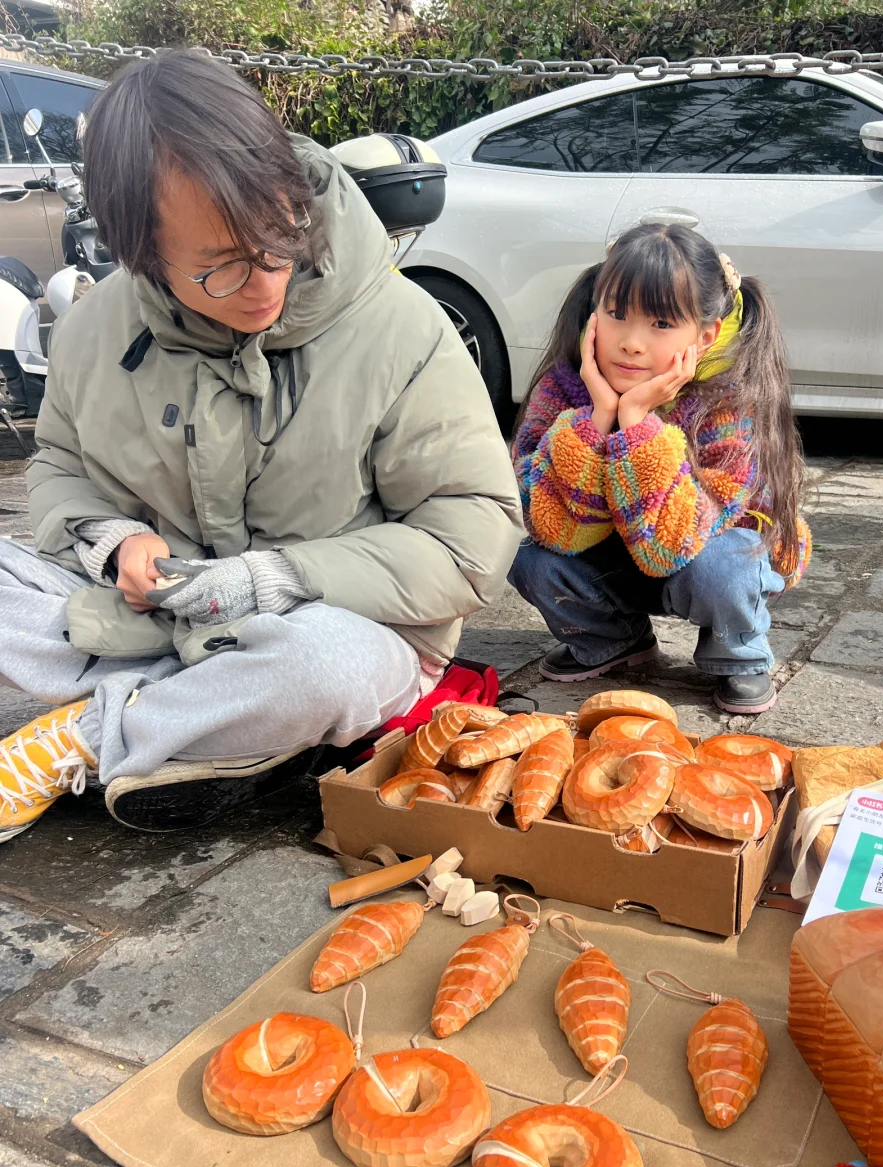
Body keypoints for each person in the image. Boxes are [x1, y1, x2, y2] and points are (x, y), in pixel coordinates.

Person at [0, 50, 521, 843]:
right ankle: (198, 731)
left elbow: (472, 535)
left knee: (330, 670)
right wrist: (112, 542)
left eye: (279, 240)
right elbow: (58, 468)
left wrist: (275, 578)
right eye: (220, 268)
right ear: (142, 255)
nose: (266, 282)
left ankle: (84, 740)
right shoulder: (92, 331)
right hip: (154, 623)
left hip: (328, 628)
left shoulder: (402, 327)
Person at [509, 223, 810, 715]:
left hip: (700, 557)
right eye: (616, 315)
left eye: (661, 324)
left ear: (705, 335)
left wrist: (635, 424)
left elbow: (667, 549)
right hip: (619, 555)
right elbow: (550, 525)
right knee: (532, 560)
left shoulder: (730, 405)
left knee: (725, 569)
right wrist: (598, 418)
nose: (631, 342)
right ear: (593, 314)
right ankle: (614, 639)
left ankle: (738, 651)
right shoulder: (565, 390)